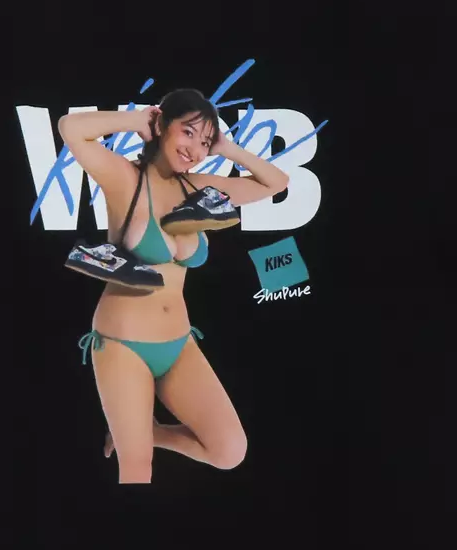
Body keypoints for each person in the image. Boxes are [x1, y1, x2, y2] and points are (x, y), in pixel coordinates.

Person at [58, 88, 290, 484]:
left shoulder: (196, 189)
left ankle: (152, 435)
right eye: (188, 133)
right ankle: (136, 444)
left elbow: (275, 183)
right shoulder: (125, 179)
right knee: (137, 466)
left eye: (204, 143)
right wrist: (137, 121)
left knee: (229, 450)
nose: (195, 150)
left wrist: (226, 147)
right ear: (163, 126)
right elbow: (70, 128)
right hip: (123, 343)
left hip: (179, 342)